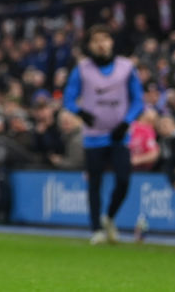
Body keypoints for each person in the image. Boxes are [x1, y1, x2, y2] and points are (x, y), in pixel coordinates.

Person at [62, 24, 144, 245]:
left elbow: (138, 100)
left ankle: (109, 216)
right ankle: (96, 229)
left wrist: (126, 123)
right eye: (96, 40)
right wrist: (81, 113)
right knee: (94, 183)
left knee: (123, 179)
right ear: (89, 45)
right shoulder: (82, 69)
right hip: (94, 136)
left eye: (105, 38)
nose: (101, 43)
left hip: (119, 135)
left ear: (112, 42)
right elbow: (68, 99)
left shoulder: (126, 68)